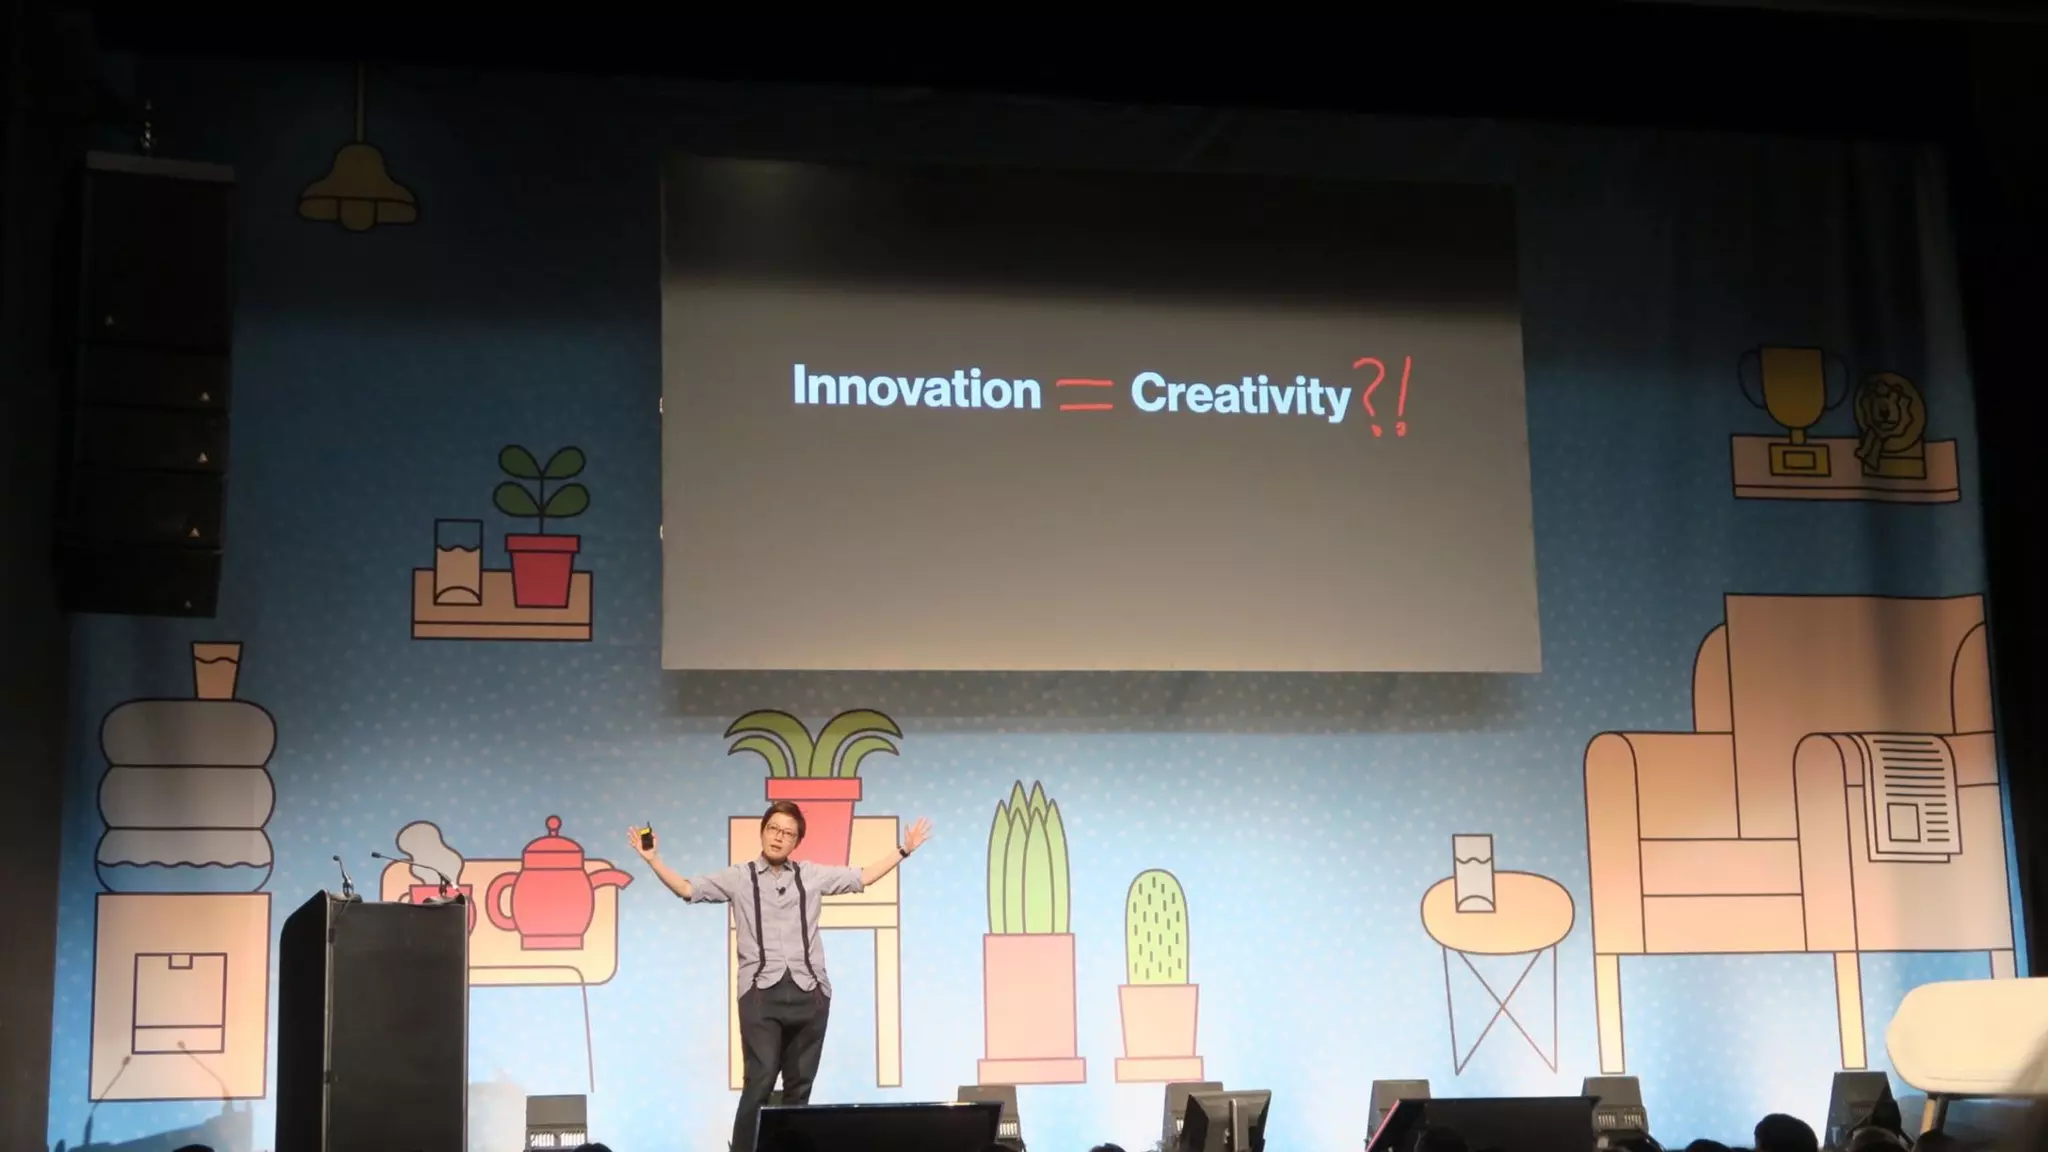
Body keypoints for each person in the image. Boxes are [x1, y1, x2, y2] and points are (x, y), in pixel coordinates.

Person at [631, 800, 933, 1152]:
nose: (778, 837)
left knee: (799, 1089)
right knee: (760, 1080)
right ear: (762, 832)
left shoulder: (810, 875)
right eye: (773, 829)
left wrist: (903, 850)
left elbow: (860, 877)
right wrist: (653, 860)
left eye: (788, 833)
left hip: (810, 992)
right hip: (761, 994)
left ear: (796, 842)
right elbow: (687, 889)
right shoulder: (739, 877)